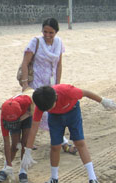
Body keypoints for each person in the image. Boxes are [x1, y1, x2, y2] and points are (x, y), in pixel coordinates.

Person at [20, 84, 116, 183]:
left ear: (56, 96)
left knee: (80, 143)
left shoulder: (68, 91)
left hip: (73, 112)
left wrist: (103, 101)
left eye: (49, 107)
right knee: (55, 146)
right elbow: (34, 128)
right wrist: (27, 151)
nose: (46, 110)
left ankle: (93, 179)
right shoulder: (42, 103)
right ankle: (54, 178)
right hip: (55, 118)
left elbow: (86, 93)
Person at [19, 17, 76, 154]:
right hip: (36, 84)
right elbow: (25, 63)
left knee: (47, 112)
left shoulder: (59, 43)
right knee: (40, 113)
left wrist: (58, 83)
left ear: (56, 32)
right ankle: (63, 142)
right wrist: (26, 85)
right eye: (45, 32)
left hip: (51, 84)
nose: (47, 35)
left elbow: (59, 64)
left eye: (51, 33)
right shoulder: (35, 42)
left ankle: (27, 141)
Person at [0, 88, 34, 183]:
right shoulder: (4, 116)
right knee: (14, 145)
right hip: (14, 118)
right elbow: (6, 141)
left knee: (25, 143)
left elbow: (34, 107)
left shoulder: (26, 99)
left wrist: (27, 114)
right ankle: (6, 167)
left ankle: (23, 170)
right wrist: (9, 165)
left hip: (25, 116)